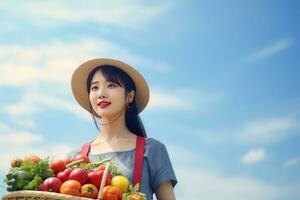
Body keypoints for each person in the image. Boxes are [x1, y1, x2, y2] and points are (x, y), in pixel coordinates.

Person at [67, 58, 177, 200]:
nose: (101, 93)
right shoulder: (75, 157)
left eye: (111, 85)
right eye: (94, 88)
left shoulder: (152, 149)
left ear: (130, 96)